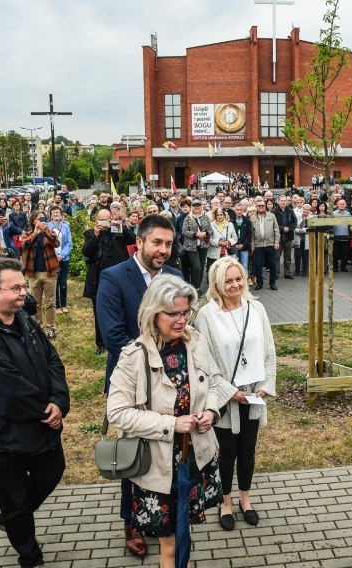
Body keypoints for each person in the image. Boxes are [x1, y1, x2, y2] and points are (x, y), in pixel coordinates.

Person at [0, 257, 69, 568]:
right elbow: (4, 385)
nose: (24, 292)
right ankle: (29, 555)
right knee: (14, 496)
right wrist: (43, 408)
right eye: (16, 288)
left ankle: (13, 518)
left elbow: (53, 362)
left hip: (41, 422)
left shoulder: (25, 321)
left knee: (52, 470)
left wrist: (59, 402)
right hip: (1, 434)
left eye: (23, 286)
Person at [107, 274, 222, 567]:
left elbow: (213, 384)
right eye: (173, 313)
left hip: (194, 459)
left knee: (185, 533)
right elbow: (117, 414)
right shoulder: (134, 356)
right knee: (169, 544)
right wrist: (171, 424)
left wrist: (210, 412)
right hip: (157, 468)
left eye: (185, 312)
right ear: (152, 313)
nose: (181, 319)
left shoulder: (195, 342)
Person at [96, 214, 182, 558]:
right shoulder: (114, 277)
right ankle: (132, 524)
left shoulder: (174, 276)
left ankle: (163, 514)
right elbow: (113, 334)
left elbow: (181, 322)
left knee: (164, 452)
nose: (163, 250)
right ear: (141, 241)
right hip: (131, 381)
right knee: (134, 454)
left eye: (169, 244)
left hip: (172, 381)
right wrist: (152, 361)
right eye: (157, 243)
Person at [194, 257, 277, 531]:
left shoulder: (257, 308)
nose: (235, 285)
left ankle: (246, 498)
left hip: (254, 395)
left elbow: (269, 351)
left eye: (239, 278)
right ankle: (225, 501)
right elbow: (205, 361)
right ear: (217, 283)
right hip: (225, 398)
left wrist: (266, 384)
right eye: (228, 281)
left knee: (248, 450)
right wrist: (230, 393)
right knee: (227, 452)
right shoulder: (207, 315)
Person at [82, 209, 132, 355]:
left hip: (119, 277)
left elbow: (133, 239)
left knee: (123, 308)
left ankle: (123, 338)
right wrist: (96, 236)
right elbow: (86, 252)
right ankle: (101, 343)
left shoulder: (117, 231)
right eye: (101, 220)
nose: (104, 223)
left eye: (107, 220)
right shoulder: (91, 233)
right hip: (98, 279)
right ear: (96, 221)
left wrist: (122, 224)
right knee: (99, 312)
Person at [21, 210, 60, 339]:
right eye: (38, 219)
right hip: (34, 274)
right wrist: (35, 234)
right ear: (33, 221)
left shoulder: (50, 232)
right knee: (35, 303)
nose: (41, 222)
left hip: (50, 273)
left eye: (43, 219)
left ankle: (51, 328)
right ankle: (37, 327)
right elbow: (24, 246)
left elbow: (56, 243)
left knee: (50, 302)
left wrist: (46, 232)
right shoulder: (27, 233)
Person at [181, 199, 211, 294]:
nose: (196, 207)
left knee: (201, 268)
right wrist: (195, 234)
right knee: (196, 267)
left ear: (201, 207)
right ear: (192, 207)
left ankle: (197, 287)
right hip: (191, 247)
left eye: (198, 205)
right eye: (194, 206)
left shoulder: (206, 217)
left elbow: (210, 231)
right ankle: (193, 287)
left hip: (203, 246)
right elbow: (184, 232)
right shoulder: (188, 218)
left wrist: (205, 233)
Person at [250, 197, 280, 290]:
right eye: (259, 206)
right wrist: (252, 245)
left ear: (265, 206)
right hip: (258, 245)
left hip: (270, 244)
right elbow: (251, 233)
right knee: (258, 265)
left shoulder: (272, 216)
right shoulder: (252, 218)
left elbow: (276, 230)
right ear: (256, 207)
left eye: (263, 205)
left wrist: (277, 242)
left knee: (272, 264)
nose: (261, 207)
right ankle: (259, 283)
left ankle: (272, 283)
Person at [47, 205, 73, 314]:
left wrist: (62, 255)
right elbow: (47, 244)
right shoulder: (47, 227)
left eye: (58, 212)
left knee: (63, 282)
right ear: (51, 215)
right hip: (52, 259)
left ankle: (63, 305)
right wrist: (55, 256)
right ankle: (56, 306)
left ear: (61, 215)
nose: (56, 214)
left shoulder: (65, 227)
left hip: (64, 258)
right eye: (54, 212)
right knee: (54, 282)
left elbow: (69, 244)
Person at [206, 207, 238, 281]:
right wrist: (218, 242)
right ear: (215, 216)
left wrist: (229, 242)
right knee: (215, 272)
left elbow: (235, 238)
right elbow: (208, 239)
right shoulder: (211, 225)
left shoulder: (230, 224)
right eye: (218, 215)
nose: (219, 216)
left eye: (221, 215)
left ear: (224, 215)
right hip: (215, 252)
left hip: (227, 252)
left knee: (226, 272)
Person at [274, 196, 296, 279]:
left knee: (287, 257)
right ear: (278, 202)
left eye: (284, 201)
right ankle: (276, 273)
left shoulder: (290, 211)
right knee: (277, 256)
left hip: (288, 236)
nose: (283, 202)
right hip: (278, 237)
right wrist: (283, 228)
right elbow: (273, 224)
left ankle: (287, 273)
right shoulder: (274, 211)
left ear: (287, 202)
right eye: (281, 201)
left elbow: (294, 222)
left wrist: (289, 228)